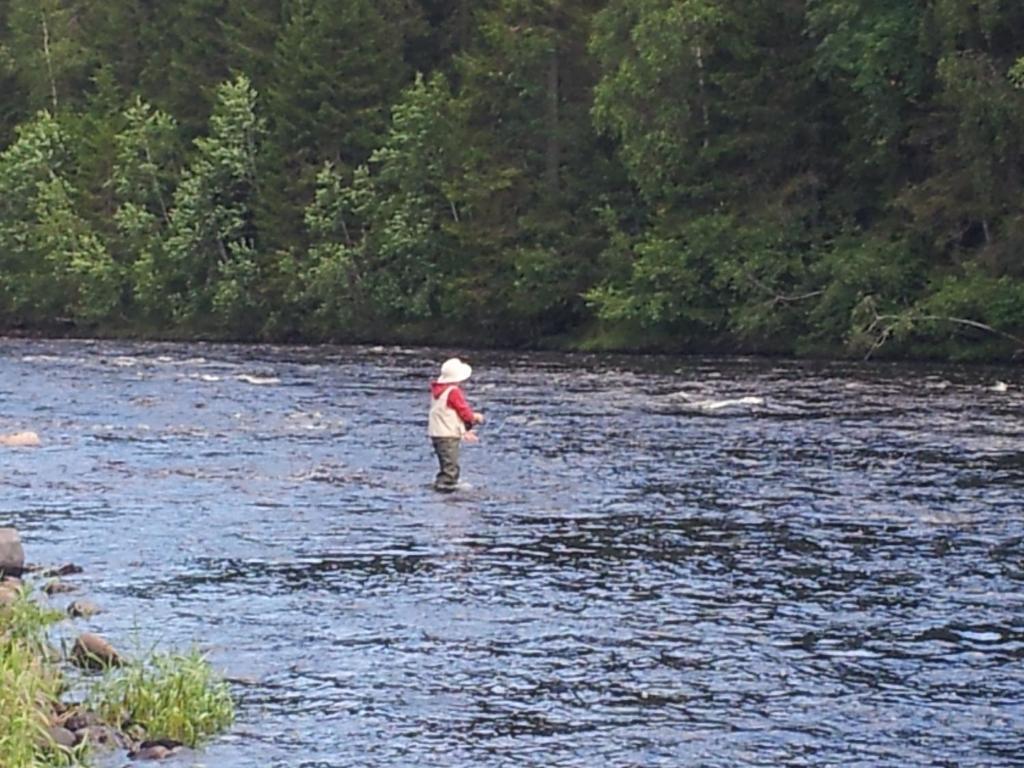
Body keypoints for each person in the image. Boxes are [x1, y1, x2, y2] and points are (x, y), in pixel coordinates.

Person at [428, 357, 484, 492]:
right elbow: (463, 410)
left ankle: (443, 486)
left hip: (437, 433)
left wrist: (465, 430)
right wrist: (474, 418)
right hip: (448, 434)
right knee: (451, 467)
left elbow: (450, 414)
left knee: (446, 463)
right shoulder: (453, 391)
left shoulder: (438, 391)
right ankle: (446, 489)